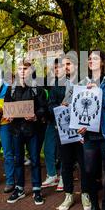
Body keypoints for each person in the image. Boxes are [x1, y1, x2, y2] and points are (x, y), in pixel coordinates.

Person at [77, 50, 105, 210]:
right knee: (88, 172)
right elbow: (78, 108)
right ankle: (94, 208)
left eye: (95, 58)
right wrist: (79, 124)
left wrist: (99, 93)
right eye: (89, 59)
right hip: (89, 135)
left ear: (102, 62)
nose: (90, 61)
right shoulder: (82, 82)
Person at [49, 54, 91, 210]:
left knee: (84, 164)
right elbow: (50, 106)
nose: (65, 67)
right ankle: (68, 195)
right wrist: (59, 105)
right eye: (63, 64)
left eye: (68, 64)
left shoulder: (87, 82)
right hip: (64, 132)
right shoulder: (57, 85)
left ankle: (85, 194)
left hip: (82, 132)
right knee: (65, 165)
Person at [4, 59, 48, 205]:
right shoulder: (11, 89)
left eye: (25, 68)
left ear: (31, 71)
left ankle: (37, 190)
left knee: (35, 160)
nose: (22, 71)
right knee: (18, 160)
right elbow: (7, 106)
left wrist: (36, 115)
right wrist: (8, 115)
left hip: (33, 130)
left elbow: (44, 108)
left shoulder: (37, 88)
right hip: (16, 130)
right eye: (20, 68)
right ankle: (19, 189)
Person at [41, 59, 62, 189]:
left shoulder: (71, 82)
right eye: (54, 68)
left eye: (58, 67)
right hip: (51, 120)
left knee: (63, 152)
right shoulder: (50, 82)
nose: (56, 70)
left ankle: (64, 178)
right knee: (48, 149)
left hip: (65, 122)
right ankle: (52, 175)